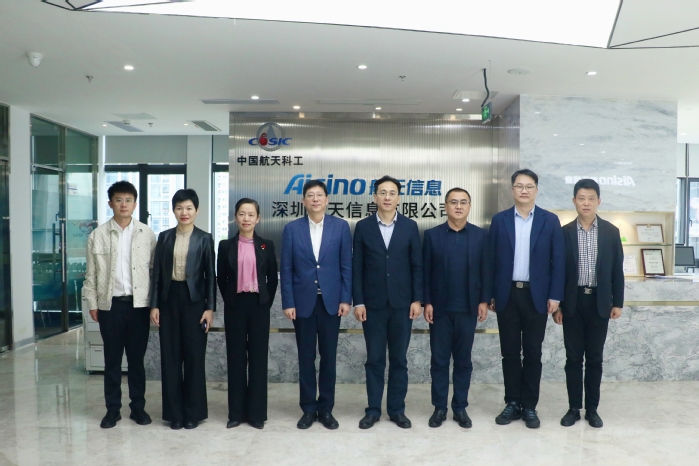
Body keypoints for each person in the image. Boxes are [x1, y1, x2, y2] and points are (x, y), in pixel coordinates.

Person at [489, 168, 565, 429]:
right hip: (507, 294)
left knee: (533, 352)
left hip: (537, 297)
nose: (524, 190)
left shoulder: (549, 220)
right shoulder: (499, 220)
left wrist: (555, 296)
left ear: (536, 190)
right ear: (512, 190)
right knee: (509, 353)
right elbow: (490, 261)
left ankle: (530, 405)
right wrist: (490, 294)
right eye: (519, 186)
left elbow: (558, 262)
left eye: (529, 186)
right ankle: (512, 402)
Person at [83, 181, 156, 429]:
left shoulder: (147, 234)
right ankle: (112, 410)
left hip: (139, 307)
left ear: (135, 204)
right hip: (110, 307)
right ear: (110, 203)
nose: (123, 204)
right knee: (112, 361)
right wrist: (93, 303)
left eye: (128, 200)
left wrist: (154, 305)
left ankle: (138, 408)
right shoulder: (98, 235)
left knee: (136, 361)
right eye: (118, 200)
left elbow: (154, 272)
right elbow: (91, 274)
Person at [281, 180, 352, 430]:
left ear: (327, 199)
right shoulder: (292, 229)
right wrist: (288, 301)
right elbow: (286, 269)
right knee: (306, 358)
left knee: (329, 358)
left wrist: (345, 298)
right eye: (310, 195)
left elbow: (346, 266)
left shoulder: (341, 227)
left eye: (319, 195)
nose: (315, 199)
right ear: (303, 201)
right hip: (303, 304)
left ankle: (326, 409)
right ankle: (308, 409)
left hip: (331, 303)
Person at [353, 175, 423, 430]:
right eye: (382, 192)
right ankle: (373, 410)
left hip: (402, 305)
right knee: (374, 359)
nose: (387, 197)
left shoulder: (410, 226)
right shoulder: (363, 227)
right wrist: (358, 302)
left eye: (392, 193)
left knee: (399, 360)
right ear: (375, 197)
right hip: (372, 305)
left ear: (398, 198)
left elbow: (417, 266)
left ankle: (396, 410)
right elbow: (357, 268)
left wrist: (417, 299)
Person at [553, 179, 624, 428]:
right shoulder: (564, 233)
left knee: (594, 358)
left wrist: (618, 302)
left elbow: (617, 271)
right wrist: (558, 305)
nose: (586, 203)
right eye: (581, 198)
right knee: (573, 358)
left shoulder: (610, 232)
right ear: (574, 201)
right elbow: (558, 272)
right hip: (572, 302)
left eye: (591, 198)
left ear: (598, 201)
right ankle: (574, 408)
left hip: (599, 302)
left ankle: (592, 409)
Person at [423, 187, 491, 429]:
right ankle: (439, 407)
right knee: (439, 361)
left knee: (463, 362)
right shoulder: (432, 236)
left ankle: (460, 407)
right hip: (440, 310)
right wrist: (427, 302)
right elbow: (425, 272)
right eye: (454, 202)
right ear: (446, 206)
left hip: (468, 309)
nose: (458, 206)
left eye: (463, 202)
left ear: (470, 206)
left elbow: (486, 270)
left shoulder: (481, 236)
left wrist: (483, 300)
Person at [149, 189, 215, 430]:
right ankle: (174, 413)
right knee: (171, 357)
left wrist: (210, 308)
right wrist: (154, 305)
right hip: (169, 301)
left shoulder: (205, 238)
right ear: (173, 211)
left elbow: (210, 276)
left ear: (197, 210)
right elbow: (157, 274)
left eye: (188, 208)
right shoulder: (165, 237)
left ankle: (193, 413)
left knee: (194, 357)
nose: (184, 212)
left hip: (194, 302)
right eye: (179, 208)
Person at [217, 198, 278, 430]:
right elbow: (221, 278)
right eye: (242, 214)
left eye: (251, 214)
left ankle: (256, 414)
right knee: (236, 358)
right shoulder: (225, 246)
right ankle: (236, 413)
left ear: (258, 218)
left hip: (259, 306)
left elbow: (272, 279)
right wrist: (230, 300)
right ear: (235, 217)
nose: (246, 218)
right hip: (235, 306)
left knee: (258, 359)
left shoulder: (266, 245)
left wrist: (265, 302)